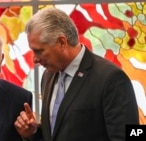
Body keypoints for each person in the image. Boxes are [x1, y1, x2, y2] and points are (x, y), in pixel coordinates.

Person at [14, 8, 139, 141]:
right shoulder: (48, 77)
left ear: (62, 42)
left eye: (39, 51)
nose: (34, 59)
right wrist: (32, 133)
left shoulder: (110, 78)